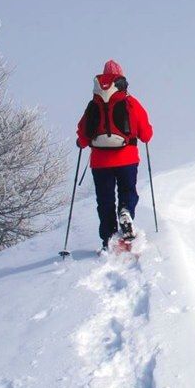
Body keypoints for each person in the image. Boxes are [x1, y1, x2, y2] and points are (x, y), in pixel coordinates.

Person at [76, 60, 153, 251]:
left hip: (100, 162)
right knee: (127, 191)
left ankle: (109, 237)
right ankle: (125, 211)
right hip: (126, 158)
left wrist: (81, 142)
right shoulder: (130, 102)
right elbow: (146, 134)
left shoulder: (94, 104)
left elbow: (83, 133)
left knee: (105, 199)